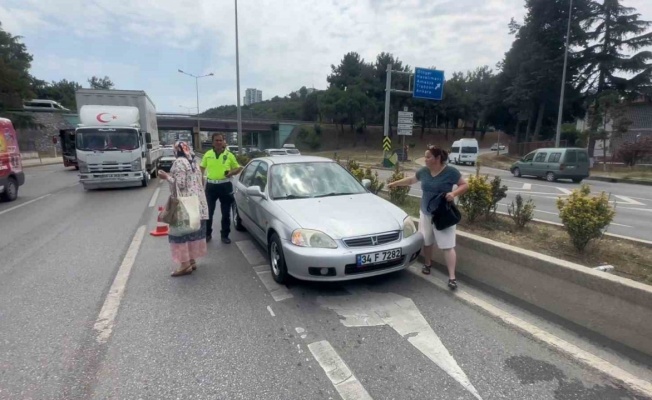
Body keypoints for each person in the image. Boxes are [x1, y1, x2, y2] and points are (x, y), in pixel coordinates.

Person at [387, 147, 468, 290]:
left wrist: (453, 194)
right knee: (427, 241)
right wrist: (395, 184)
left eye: (428, 157)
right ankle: (427, 264)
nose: (425, 159)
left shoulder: (451, 172)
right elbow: (411, 180)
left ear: (437, 159)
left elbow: (464, 184)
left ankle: (452, 277)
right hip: (425, 213)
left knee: (447, 246)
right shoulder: (424, 171)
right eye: (425, 157)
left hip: (443, 215)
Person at [158, 141, 209, 277]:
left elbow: (179, 184)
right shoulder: (193, 162)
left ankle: (184, 264)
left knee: (179, 234)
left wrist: (166, 177)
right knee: (191, 233)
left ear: (177, 150)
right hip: (197, 203)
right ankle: (191, 261)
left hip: (184, 205)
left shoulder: (180, 162)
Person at [201, 133, 243, 244]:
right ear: (213, 142)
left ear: (224, 141)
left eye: (221, 140)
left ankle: (225, 235)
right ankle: (207, 234)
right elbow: (201, 168)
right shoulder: (208, 154)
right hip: (211, 186)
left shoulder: (229, 155)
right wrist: (200, 181)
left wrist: (231, 172)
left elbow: (238, 168)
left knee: (226, 213)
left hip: (225, 186)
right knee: (209, 212)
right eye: (216, 140)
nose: (219, 142)